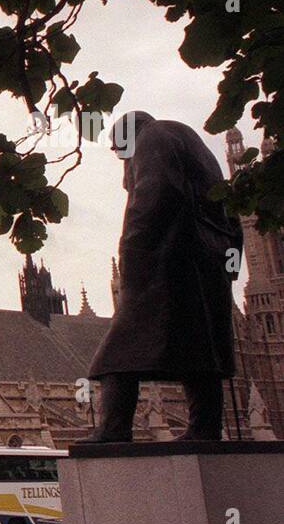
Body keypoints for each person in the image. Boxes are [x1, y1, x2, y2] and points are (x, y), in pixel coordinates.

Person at [84, 112, 243, 442]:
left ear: (129, 134)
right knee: (202, 352)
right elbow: (233, 216)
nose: (121, 160)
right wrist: (229, 271)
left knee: (115, 356)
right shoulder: (194, 146)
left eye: (119, 150)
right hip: (207, 264)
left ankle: (114, 428)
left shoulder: (152, 138)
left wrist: (132, 250)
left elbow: (155, 195)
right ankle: (205, 428)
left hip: (169, 262)